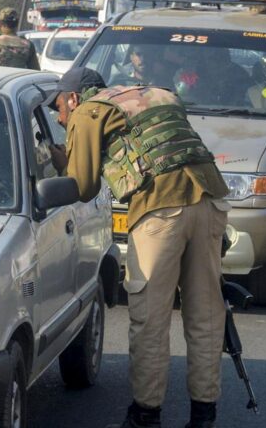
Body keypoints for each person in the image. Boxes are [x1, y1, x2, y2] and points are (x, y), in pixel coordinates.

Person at [48, 68, 230, 428]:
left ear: (73, 97)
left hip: (161, 208)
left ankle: (146, 415)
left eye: (59, 106)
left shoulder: (89, 110)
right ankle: (204, 416)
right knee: (206, 315)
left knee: (150, 317)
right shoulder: (155, 94)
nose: (58, 116)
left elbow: (83, 185)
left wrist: (59, 160)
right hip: (210, 198)